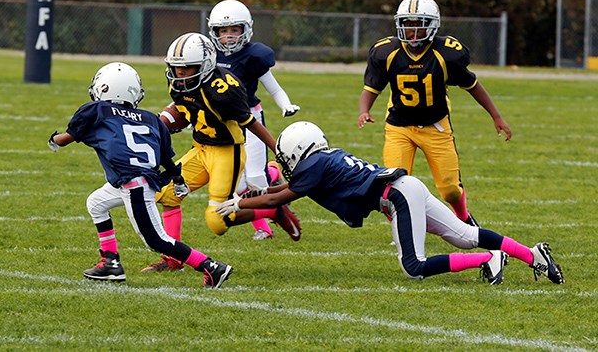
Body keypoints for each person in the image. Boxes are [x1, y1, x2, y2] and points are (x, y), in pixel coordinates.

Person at [216, 121, 564, 285]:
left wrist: (237, 206)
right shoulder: (323, 159)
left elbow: (281, 196)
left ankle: (489, 259)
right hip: (403, 187)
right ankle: (533, 255)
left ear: (297, 152)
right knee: (463, 234)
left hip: (396, 195)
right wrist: (244, 202)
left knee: (415, 266)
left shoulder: (313, 165)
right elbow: (280, 194)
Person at [47, 62, 232, 288]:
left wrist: (54, 140)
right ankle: (110, 262)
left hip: (135, 184)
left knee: (156, 240)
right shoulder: (150, 118)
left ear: (103, 87)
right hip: (139, 179)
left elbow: (68, 137)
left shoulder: (96, 110)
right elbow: (167, 158)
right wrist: (178, 179)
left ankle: (211, 266)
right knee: (96, 203)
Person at [142, 33, 301, 272]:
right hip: (201, 149)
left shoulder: (225, 87)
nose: (179, 75)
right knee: (166, 195)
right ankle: (173, 259)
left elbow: (252, 124)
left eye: (186, 69)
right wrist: (165, 122)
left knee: (217, 221)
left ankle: (273, 209)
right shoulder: (178, 82)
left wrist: (278, 151)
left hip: (228, 152)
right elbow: (185, 108)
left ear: (205, 65)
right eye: (175, 69)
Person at [357, 0, 512, 228]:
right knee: (393, 187)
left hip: (435, 126)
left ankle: (462, 216)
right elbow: (371, 88)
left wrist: (496, 116)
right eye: (407, 24)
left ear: (433, 25)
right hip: (399, 126)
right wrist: (364, 110)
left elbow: (472, 86)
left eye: (419, 23)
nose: (412, 30)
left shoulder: (446, 53)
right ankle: (407, 227)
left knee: (450, 189)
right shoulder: (386, 51)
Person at [208, 0, 301, 240]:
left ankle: (263, 225)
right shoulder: (209, 56)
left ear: (245, 30)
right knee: (238, 187)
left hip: (250, 118)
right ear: (214, 31)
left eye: (234, 30)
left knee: (256, 179)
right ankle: (272, 178)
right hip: (224, 124)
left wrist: (286, 105)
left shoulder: (254, 56)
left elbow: (274, 88)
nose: (228, 36)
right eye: (224, 30)